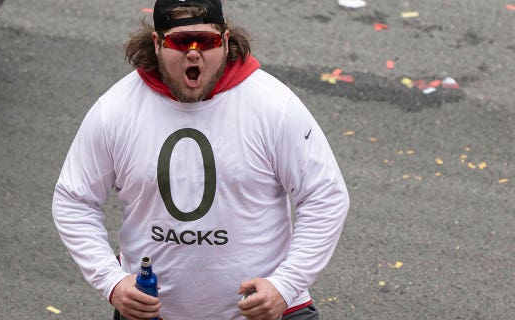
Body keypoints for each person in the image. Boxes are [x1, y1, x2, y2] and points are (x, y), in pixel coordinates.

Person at [51, 0, 349, 319]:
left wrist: (285, 286)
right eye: (181, 42)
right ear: (157, 43)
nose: (194, 53)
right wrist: (111, 281)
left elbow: (325, 196)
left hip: (268, 313)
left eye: (206, 41)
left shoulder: (274, 106)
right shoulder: (115, 110)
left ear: (225, 40)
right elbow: (75, 200)